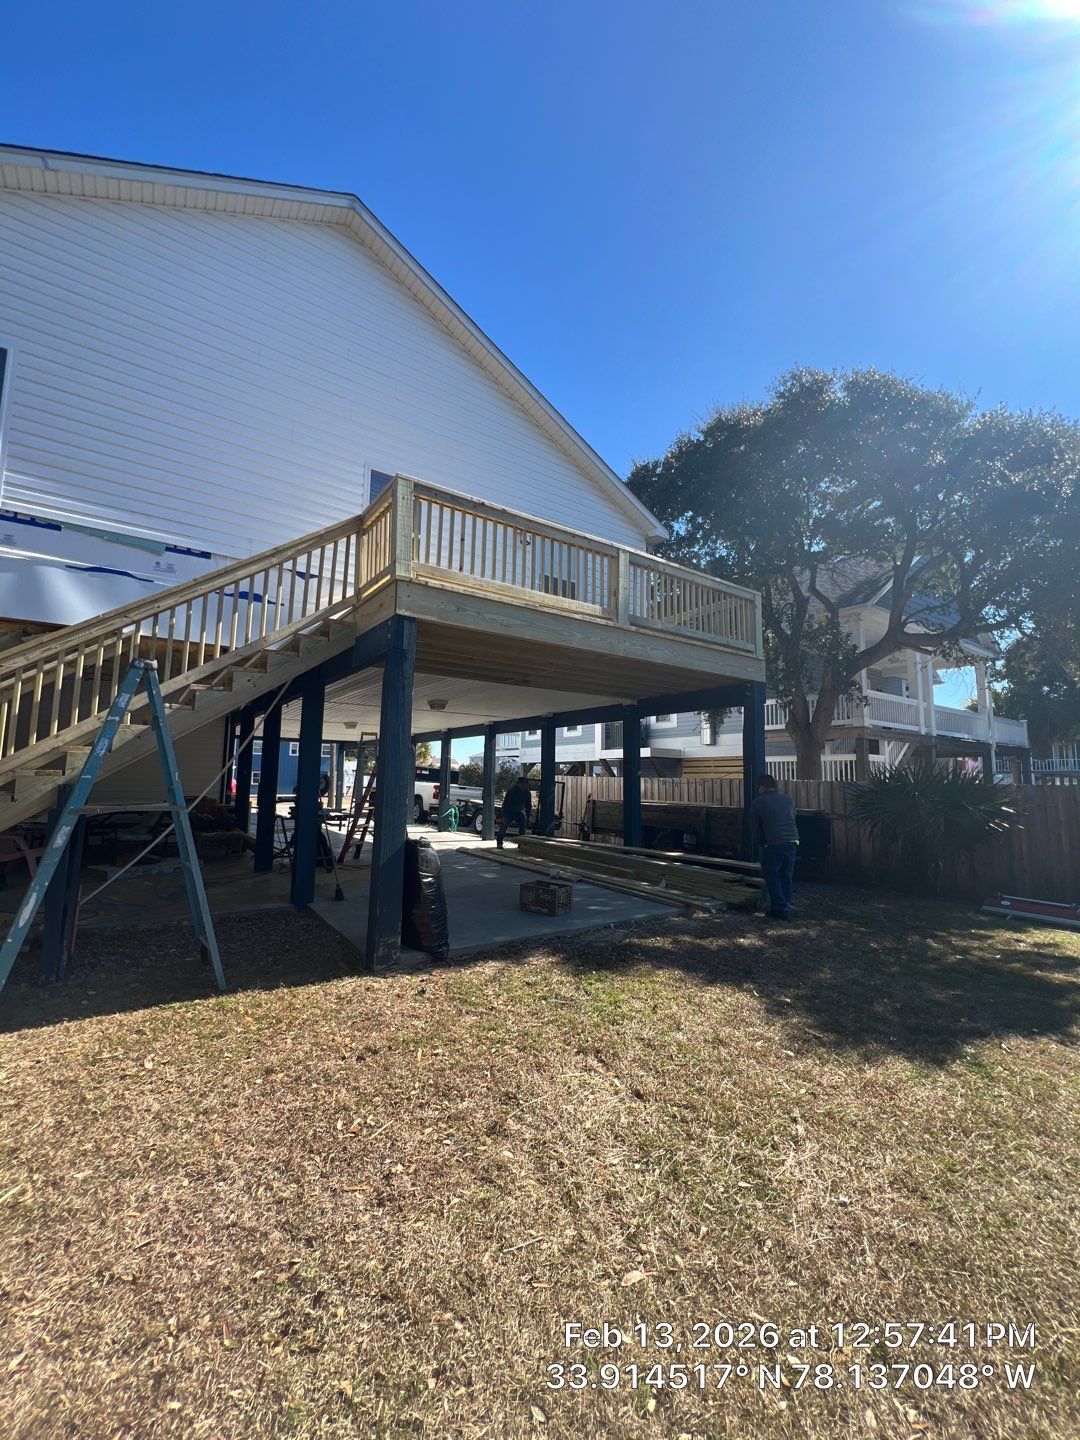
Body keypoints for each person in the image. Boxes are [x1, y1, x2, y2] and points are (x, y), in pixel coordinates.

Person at [748, 773, 799, 921]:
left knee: (772, 876)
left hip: (773, 843)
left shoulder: (758, 802)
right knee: (786, 874)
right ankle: (786, 904)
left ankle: (780, 909)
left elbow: (754, 826)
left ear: (762, 787)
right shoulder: (788, 800)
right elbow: (792, 819)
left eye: (758, 787)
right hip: (792, 841)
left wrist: (761, 841)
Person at [497, 775, 533, 848]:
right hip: (509, 811)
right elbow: (506, 804)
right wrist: (504, 816)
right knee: (504, 826)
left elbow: (528, 805)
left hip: (518, 812)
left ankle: (521, 843)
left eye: (525, 784)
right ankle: (499, 843)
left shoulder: (527, 792)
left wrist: (528, 818)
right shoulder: (512, 791)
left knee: (523, 825)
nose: (523, 786)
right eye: (522, 784)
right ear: (518, 784)